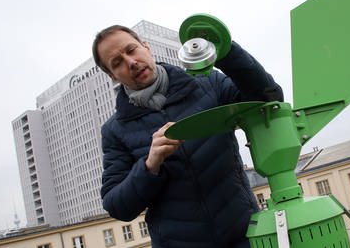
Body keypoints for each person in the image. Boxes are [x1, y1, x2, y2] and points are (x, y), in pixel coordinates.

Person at [92, 24, 283, 248]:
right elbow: (117, 206)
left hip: (244, 237)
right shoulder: (115, 130)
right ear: (111, 75)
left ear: (146, 47)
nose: (131, 62)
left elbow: (268, 97)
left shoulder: (208, 83)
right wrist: (149, 166)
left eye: (131, 49)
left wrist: (226, 51)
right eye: (117, 62)